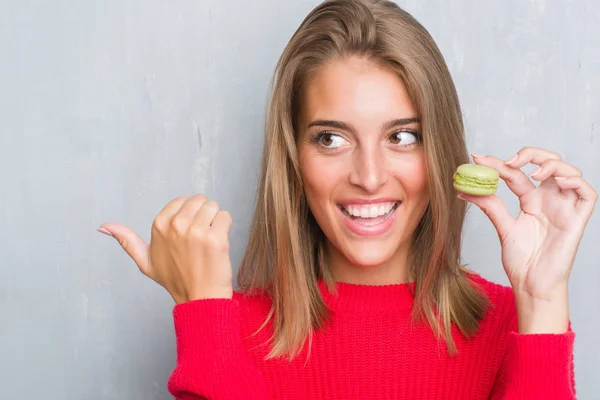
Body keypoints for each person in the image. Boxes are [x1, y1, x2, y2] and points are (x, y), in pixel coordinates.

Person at [98, 0, 597, 399]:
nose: (370, 176)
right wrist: (205, 313)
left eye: (402, 137)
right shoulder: (227, 333)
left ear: (441, 150)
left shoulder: (515, 325)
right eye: (331, 139)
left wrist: (544, 301)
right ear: (293, 157)